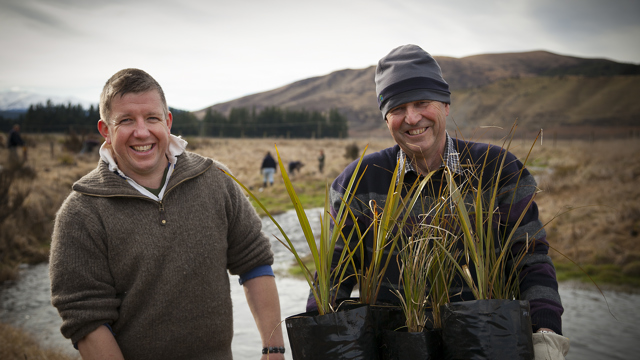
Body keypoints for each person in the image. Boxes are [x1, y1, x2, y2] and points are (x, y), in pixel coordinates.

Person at [310, 45, 568, 356]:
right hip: (390, 349)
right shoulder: (358, 182)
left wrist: (545, 334)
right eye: (397, 108)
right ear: (385, 118)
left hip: (490, 346)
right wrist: (318, 338)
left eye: (421, 102)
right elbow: (333, 277)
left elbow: (532, 259)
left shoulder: (499, 170)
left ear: (445, 105)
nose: (412, 117)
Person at [50, 68, 285, 360]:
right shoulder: (81, 212)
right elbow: (85, 316)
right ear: (105, 131)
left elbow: (255, 262)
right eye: (125, 120)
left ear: (168, 121)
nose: (141, 131)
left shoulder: (216, 180)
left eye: (152, 118)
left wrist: (273, 350)